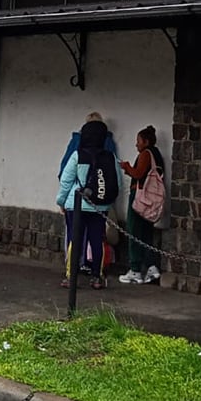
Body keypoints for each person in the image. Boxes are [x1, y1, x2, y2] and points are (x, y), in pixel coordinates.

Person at [56, 120, 120, 290]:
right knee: (97, 240)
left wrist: (61, 201)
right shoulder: (110, 157)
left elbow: (66, 181)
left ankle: (71, 276)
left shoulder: (77, 155)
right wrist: (106, 201)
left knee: (75, 240)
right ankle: (97, 277)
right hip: (100, 206)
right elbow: (117, 183)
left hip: (76, 205)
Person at [118, 125, 164, 285]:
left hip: (140, 198)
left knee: (134, 231)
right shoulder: (157, 155)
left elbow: (138, 174)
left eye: (138, 141)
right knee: (146, 233)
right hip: (151, 200)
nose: (136, 144)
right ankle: (151, 267)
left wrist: (127, 167)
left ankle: (135, 269)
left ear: (146, 142)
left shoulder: (146, 154)